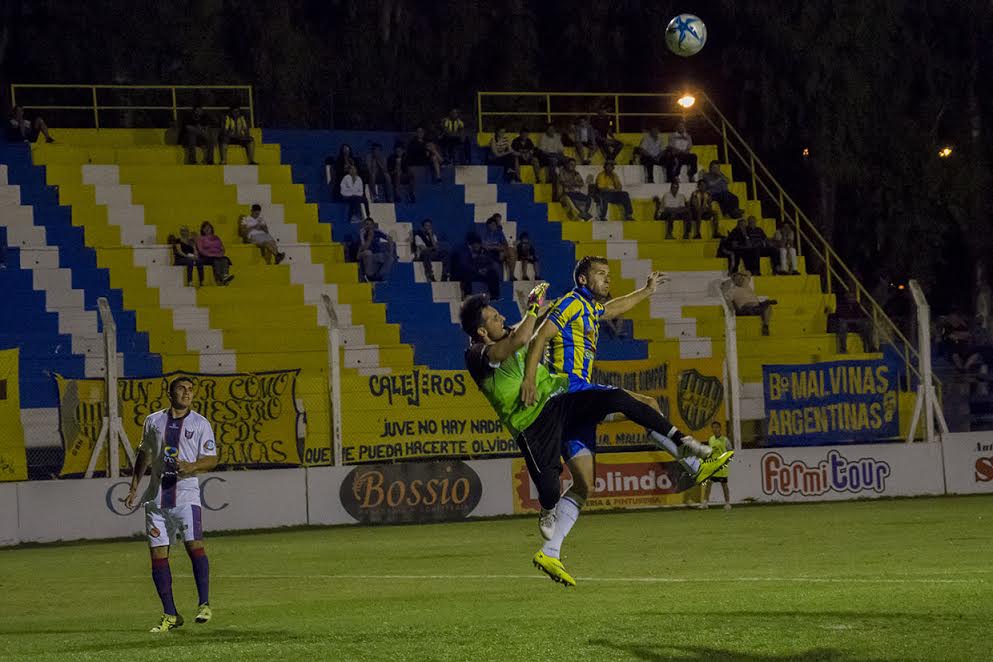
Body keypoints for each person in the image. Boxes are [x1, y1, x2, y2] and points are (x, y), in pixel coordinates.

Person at [461, 286, 731, 587]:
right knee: (555, 490)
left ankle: (692, 458)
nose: (502, 319)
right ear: (482, 331)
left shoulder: (521, 327)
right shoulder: (477, 355)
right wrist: (534, 308)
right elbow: (523, 338)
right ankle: (549, 540)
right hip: (533, 426)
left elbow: (540, 325)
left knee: (629, 401)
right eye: (495, 318)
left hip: (562, 400)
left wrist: (556, 307)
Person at [522, 256, 732, 553]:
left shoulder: (591, 308)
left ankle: (550, 551)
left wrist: (646, 291)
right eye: (600, 274)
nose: (607, 279)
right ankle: (694, 463)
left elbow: (612, 308)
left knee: (585, 485)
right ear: (582, 279)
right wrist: (529, 379)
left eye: (608, 274)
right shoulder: (570, 302)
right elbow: (539, 336)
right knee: (646, 403)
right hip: (570, 393)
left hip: (577, 410)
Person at [124, 376, 218, 632]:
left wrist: (193, 466)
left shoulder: (200, 423)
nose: (187, 393)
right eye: (182, 389)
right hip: (155, 497)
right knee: (157, 554)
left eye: (190, 390)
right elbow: (145, 453)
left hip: (185, 494)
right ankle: (170, 614)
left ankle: (204, 604)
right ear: (170, 392)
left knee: (194, 545)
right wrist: (134, 486)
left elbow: (211, 459)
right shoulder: (153, 421)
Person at [452, 232, 501, 300]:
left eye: (478, 244)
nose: (477, 246)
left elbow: (490, 262)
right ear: (471, 245)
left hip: (481, 272)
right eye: (475, 244)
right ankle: (467, 295)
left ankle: (494, 296)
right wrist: (478, 271)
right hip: (470, 273)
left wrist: (486, 269)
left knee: (493, 273)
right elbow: (465, 266)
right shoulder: (465, 253)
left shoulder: (483, 252)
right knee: (466, 274)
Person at [726, 271, 776, 335]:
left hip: (757, 305)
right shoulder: (732, 290)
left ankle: (765, 326)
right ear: (734, 281)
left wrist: (739, 273)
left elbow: (748, 273)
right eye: (738, 279)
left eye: (741, 278)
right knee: (760, 306)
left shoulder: (746, 284)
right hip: (745, 308)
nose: (740, 280)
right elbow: (729, 301)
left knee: (768, 306)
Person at [702, 421, 732, 510]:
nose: (715, 429)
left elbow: (730, 452)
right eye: (713, 427)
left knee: (724, 485)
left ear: (720, 429)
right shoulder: (711, 439)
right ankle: (705, 502)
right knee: (708, 484)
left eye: (716, 427)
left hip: (722, 468)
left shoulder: (725, 440)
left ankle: (727, 503)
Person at [357, 218, 395, 282]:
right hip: (366, 255)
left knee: (390, 258)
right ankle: (369, 276)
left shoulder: (377, 231)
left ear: (373, 225)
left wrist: (390, 253)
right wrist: (370, 237)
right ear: (364, 225)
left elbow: (390, 239)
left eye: (370, 224)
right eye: (367, 224)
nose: (368, 226)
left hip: (377, 255)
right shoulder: (362, 232)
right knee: (368, 252)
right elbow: (364, 247)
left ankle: (379, 276)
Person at [482, 214, 516, 281]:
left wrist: (501, 250)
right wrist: (496, 247)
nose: (494, 226)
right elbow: (486, 247)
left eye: (495, 224)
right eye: (492, 225)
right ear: (488, 226)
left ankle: (511, 275)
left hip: (500, 252)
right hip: (490, 254)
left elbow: (505, 244)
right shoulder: (485, 234)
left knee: (511, 252)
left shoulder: (499, 232)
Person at [537, 124, 567, 194]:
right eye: (549, 129)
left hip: (556, 155)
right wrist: (553, 155)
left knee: (568, 160)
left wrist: (561, 156)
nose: (551, 131)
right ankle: (551, 179)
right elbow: (542, 150)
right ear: (547, 130)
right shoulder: (543, 137)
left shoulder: (557, 137)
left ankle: (565, 179)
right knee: (553, 160)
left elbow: (561, 150)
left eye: (552, 129)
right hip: (546, 156)